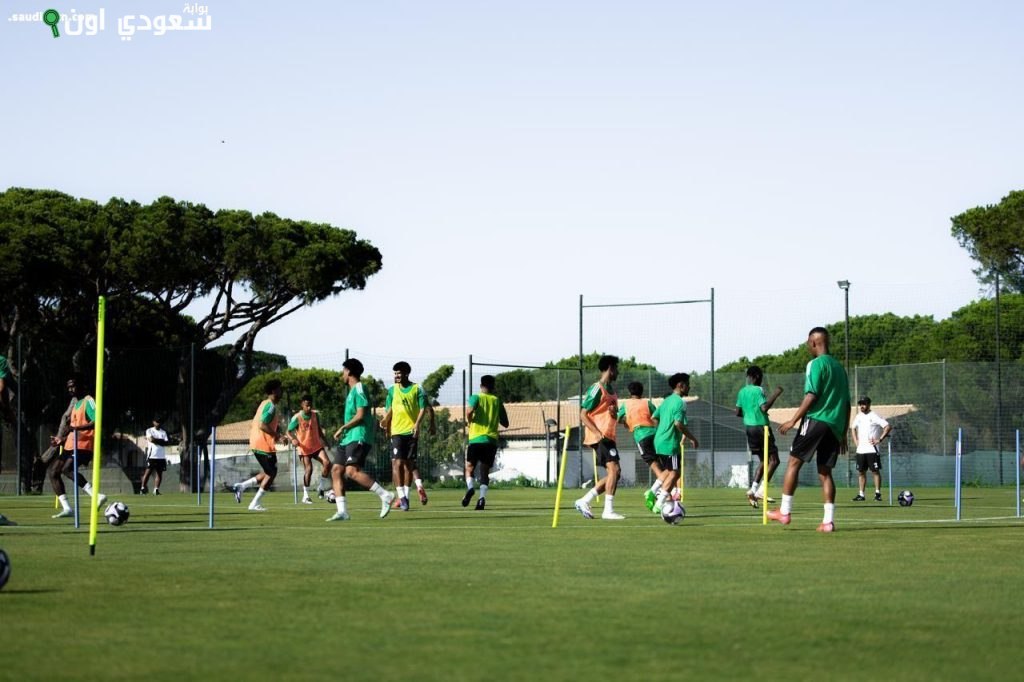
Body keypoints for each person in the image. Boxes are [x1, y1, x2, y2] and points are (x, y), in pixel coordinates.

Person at [768, 327, 851, 533]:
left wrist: (793, 420)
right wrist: (843, 434)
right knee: (825, 473)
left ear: (813, 342)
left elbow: (811, 395)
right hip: (835, 426)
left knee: (793, 463)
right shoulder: (840, 368)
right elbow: (847, 404)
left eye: (808, 344)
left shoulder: (815, 364)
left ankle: (785, 512)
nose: (808, 347)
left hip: (816, 420)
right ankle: (828, 522)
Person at [328, 358, 395, 521]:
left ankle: (385, 495)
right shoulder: (352, 392)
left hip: (358, 436)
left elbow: (360, 415)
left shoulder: (359, 388)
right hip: (347, 438)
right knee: (336, 470)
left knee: (351, 471)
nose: (342, 374)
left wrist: (343, 427)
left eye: (343, 371)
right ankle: (342, 512)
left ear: (349, 371)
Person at [574, 355, 625, 520]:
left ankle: (584, 500)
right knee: (614, 470)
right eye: (616, 368)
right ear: (610, 368)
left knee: (615, 473)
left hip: (609, 437)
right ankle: (608, 511)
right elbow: (583, 414)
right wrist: (596, 432)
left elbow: (613, 415)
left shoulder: (613, 392)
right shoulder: (597, 388)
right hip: (601, 437)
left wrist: (615, 414)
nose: (618, 371)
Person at [49, 374, 106, 519]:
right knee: (53, 472)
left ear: (81, 386)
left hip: (83, 445)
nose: (70, 389)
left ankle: (97, 496)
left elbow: (96, 421)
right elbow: (72, 429)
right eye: (68, 387)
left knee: (67, 469)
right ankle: (67, 508)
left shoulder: (88, 401)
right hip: (70, 445)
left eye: (73, 386)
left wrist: (76, 428)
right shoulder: (75, 404)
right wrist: (60, 440)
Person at [381, 361, 435, 511]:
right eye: (395, 373)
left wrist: (417, 424)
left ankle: (406, 497)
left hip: (411, 432)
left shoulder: (417, 389)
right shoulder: (392, 390)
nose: (396, 376)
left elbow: (423, 408)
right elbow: (389, 410)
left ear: (406, 373)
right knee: (397, 463)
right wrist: (386, 423)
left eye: (399, 373)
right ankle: (402, 497)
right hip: (397, 432)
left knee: (409, 465)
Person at [735, 366, 784, 508]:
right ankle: (762, 491)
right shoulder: (758, 390)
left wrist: (750, 414)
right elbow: (764, 408)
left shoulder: (742, 391)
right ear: (756, 377)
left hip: (749, 429)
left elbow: (737, 412)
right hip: (762, 428)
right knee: (774, 460)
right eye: (761, 377)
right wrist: (776, 394)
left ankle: (752, 490)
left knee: (764, 461)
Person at [232, 379, 284, 512]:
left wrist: (278, 434)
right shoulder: (270, 406)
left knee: (268, 472)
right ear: (274, 391)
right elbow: (262, 425)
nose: (282, 391)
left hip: (258, 442)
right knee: (271, 473)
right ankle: (254, 503)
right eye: (280, 389)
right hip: (262, 443)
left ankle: (241, 486)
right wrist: (278, 436)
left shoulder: (264, 403)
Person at [651, 373, 699, 513]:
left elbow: (654, 417)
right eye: (688, 384)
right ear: (680, 385)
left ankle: (652, 491)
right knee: (675, 473)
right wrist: (692, 438)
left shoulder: (667, 401)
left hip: (659, 441)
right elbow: (678, 424)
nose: (689, 387)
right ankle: (659, 503)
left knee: (668, 470)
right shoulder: (680, 402)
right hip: (670, 442)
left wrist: (661, 430)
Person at [462, 375, 509, 511]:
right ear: (493, 387)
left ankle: (470, 488)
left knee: (469, 468)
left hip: (476, 439)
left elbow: (469, 411)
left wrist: (470, 421)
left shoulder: (476, 397)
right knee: (484, 471)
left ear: (481, 385)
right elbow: (505, 423)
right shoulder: (497, 401)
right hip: (491, 440)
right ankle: (481, 499)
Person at [617, 381, 662, 511]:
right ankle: (660, 492)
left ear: (629, 392)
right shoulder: (647, 403)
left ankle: (658, 495)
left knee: (656, 468)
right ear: (642, 392)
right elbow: (657, 417)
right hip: (655, 435)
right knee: (663, 467)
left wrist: (627, 422)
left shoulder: (626, 404)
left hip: (641, 436)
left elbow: (619, 418)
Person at [286, 395, 333, 504]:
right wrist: (293, 439)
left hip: (316, 446)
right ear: (302, 405)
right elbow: (287, 431)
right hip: (304, 448)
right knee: (309, 469)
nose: (309, 407)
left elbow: (319, 430)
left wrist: (326, 441)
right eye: (307, 405)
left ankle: (321, 487)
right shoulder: (297, 417)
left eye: (310, 405)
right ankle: (306, 496)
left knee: (327, 463)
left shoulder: (315, 415)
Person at [850, 396, 892, 502]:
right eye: (860, 404)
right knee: (861, 472)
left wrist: (880, 439)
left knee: (875, 471)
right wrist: (856, 441)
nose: (862, 406)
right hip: (861, 450)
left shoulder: (874, 416)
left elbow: (887, 427)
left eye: (864, 404)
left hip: (872, 450)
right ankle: (861, 494)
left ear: (869, 405)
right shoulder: (858, 416)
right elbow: (853, 428)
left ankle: (877, 494)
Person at [140, 415, 170, 495]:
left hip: (161, 456)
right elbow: (151, 440)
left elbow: (166, 443)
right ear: (153, 422)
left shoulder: (163, 432)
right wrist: (160, 441)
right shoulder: (149, 430)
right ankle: (143, 488)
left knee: (159, 473)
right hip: (152, 456)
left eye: (159, 422)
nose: (158, 423)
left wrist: (156, 440)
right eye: (157, 422)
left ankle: (156, 490)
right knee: (148, 472)